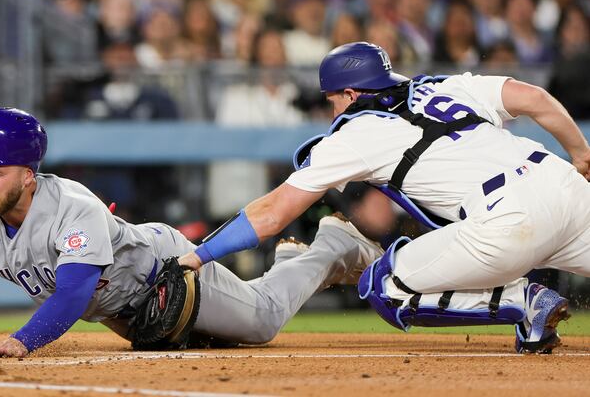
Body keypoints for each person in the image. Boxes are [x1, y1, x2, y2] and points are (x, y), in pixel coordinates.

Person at [0, 107, 384, 357]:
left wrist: (23, 341)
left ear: (28, 172)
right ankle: (297, 259)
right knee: (211, 352)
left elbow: (71, 292)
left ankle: (329, 245)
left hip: (162, 273)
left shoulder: (72, 205)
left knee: (261, 323)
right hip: (121, 309)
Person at [177, 42, 590, 354]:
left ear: (351, 94)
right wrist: (580, 152)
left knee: (385, 286)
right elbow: (532, 97)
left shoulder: (353, 136)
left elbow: (271, 214)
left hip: (507, 217)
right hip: (564, 183)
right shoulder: (445, 86)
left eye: (333, 98)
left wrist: (198, 255)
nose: (332, 108)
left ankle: (523, 301)